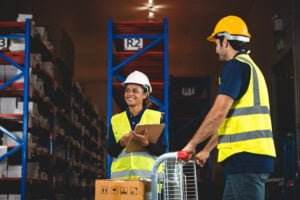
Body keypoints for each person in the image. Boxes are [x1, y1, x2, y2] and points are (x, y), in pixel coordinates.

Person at [183, 15, 276, 200]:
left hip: (246, 159)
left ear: (225, 40)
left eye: (217, 41)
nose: (216, 48)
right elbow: (229, 120)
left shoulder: (235, 67)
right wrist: (207, 150)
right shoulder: (250, 67)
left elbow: (218, 112)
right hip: (247, 159)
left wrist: (192, 145)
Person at [108, 70, 165, 180]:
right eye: (127, 90)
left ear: (145, 94)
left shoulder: (157, 118)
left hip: (149, 181)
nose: (130, 94)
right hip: (122, 183)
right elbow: (111, 151)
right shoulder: (116, 120)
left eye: (135, 91)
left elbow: (162, 151)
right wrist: (121, 143)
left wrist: (147, 144)